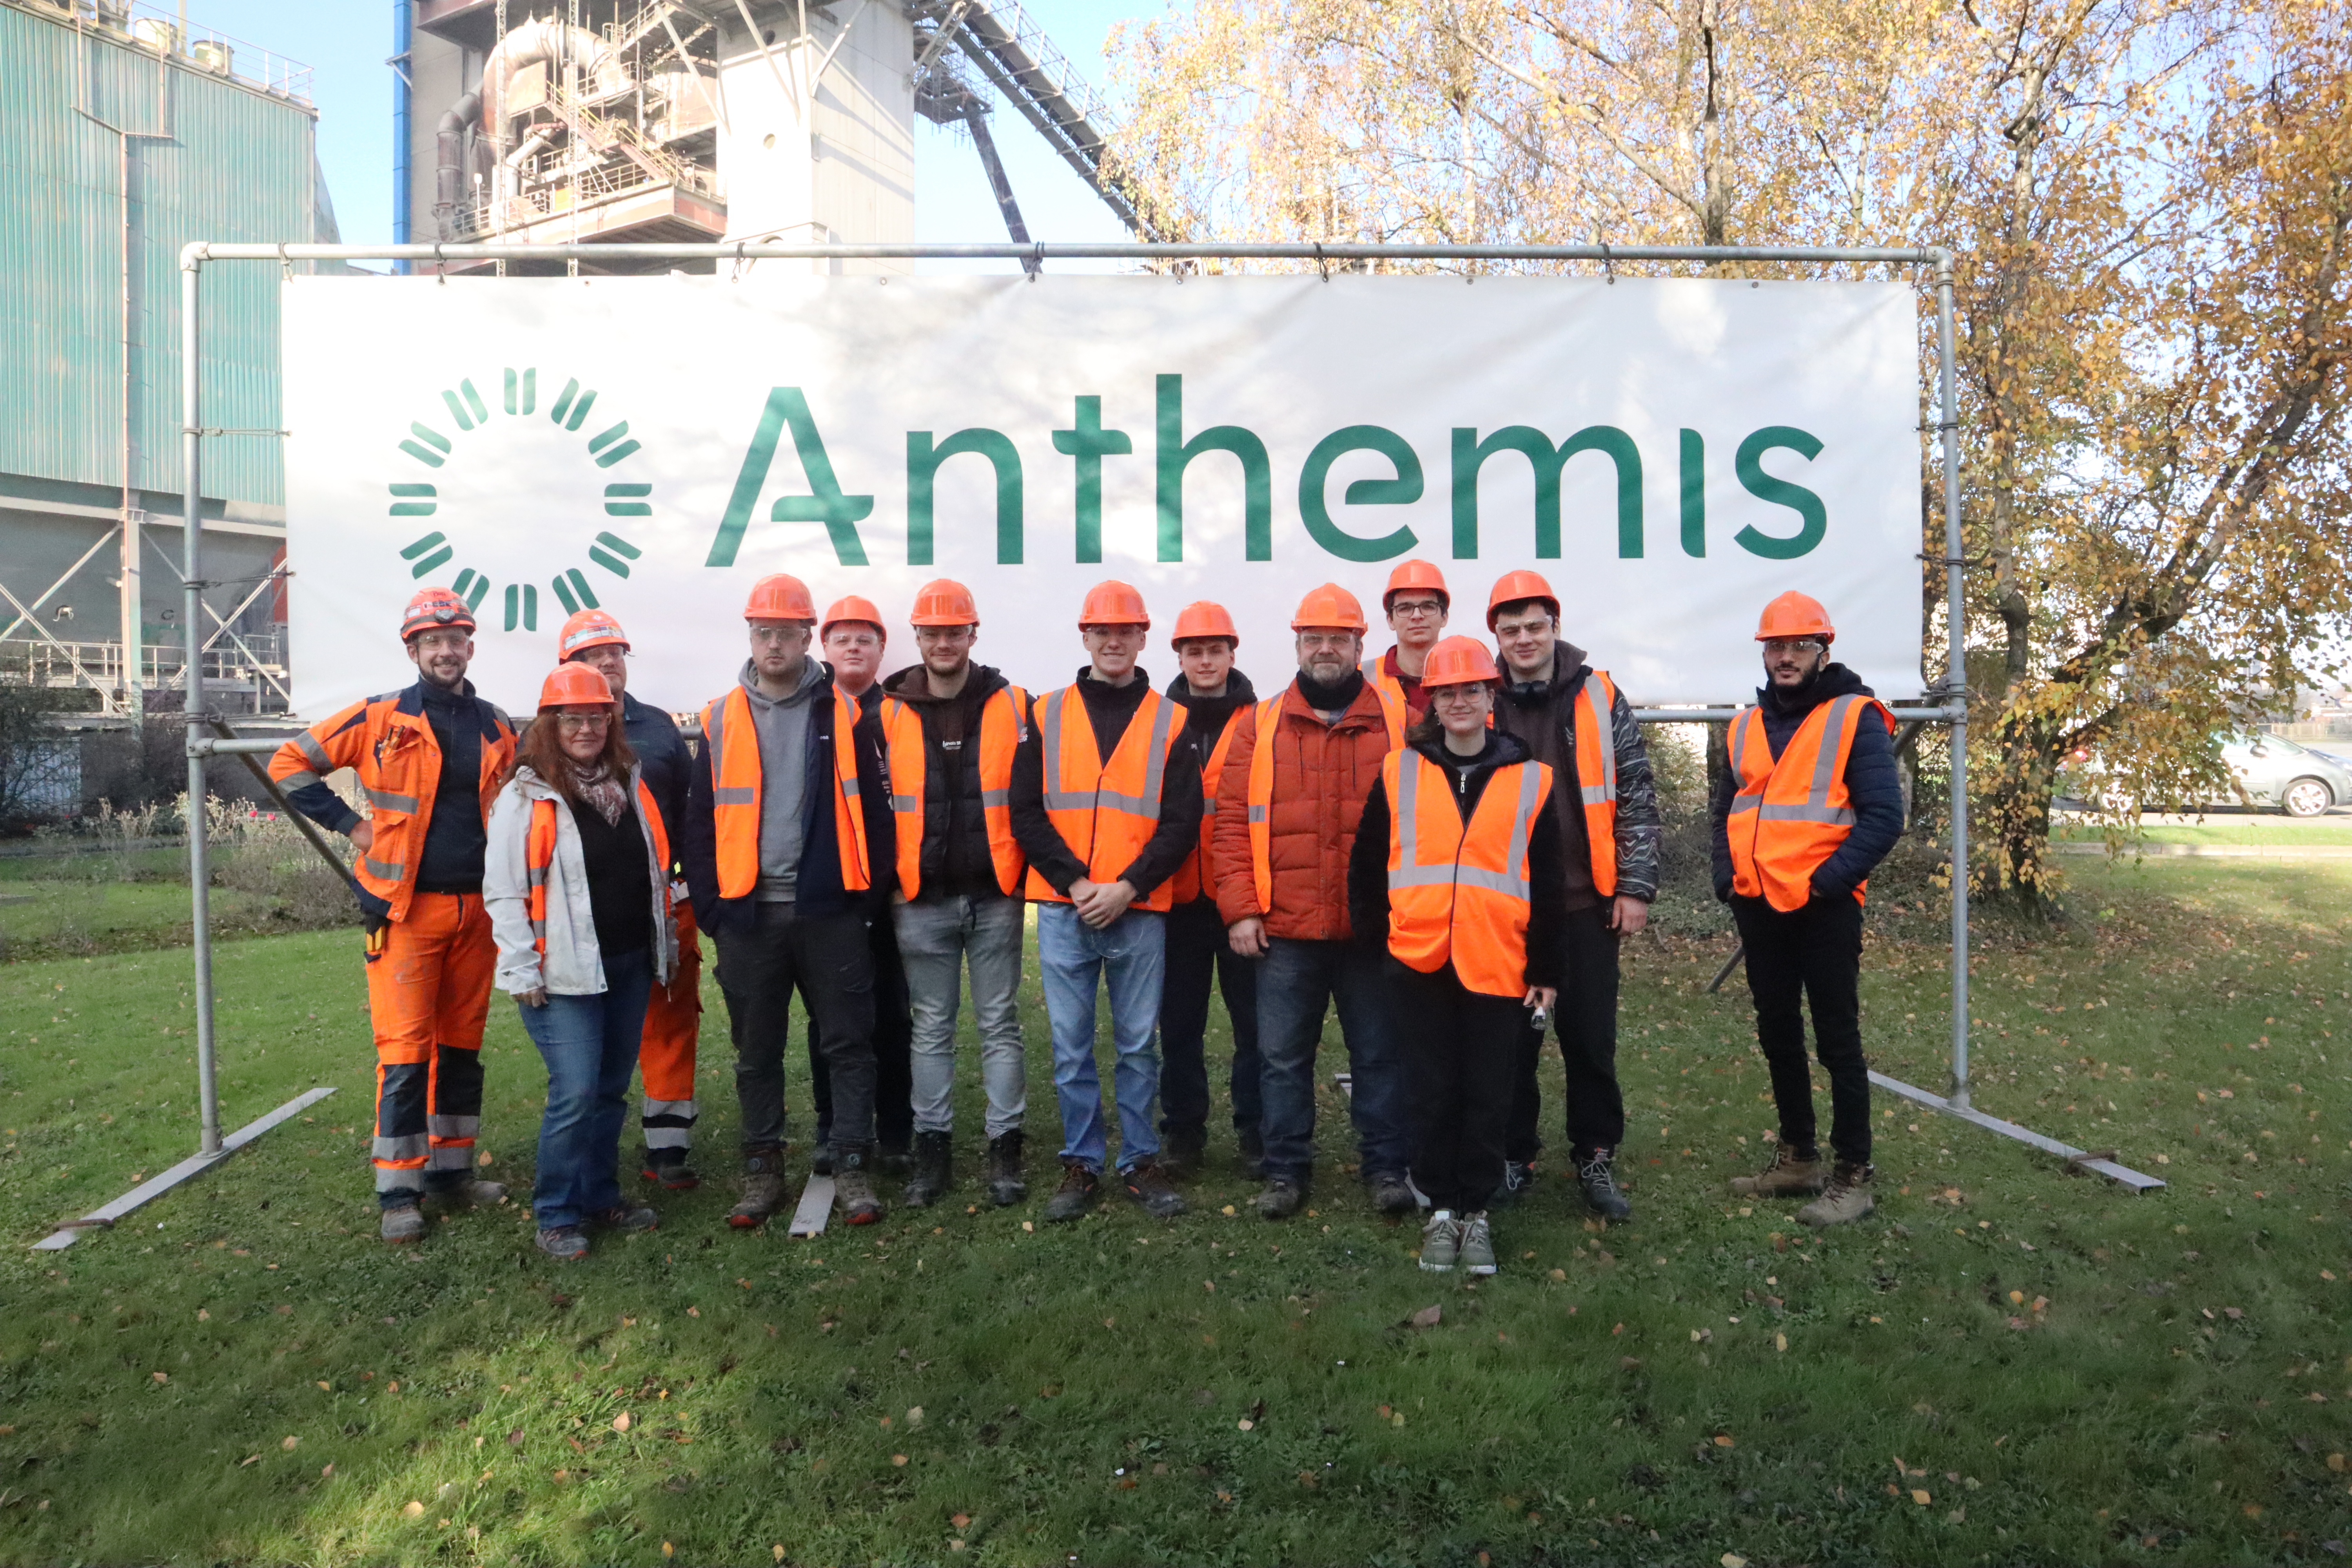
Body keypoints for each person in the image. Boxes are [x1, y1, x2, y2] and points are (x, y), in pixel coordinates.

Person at [269, 586, 515, 1244]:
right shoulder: (380, 718)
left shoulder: (496, 726)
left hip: (479, 916)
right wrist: (352, 828)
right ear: (413, 649)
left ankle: (453, 1176)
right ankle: (399, 1191)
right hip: (404, 914)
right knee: (406, 1056)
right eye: (432, 641)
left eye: (456, 638)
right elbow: (288, 763)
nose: (446, 649)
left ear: (469, 645)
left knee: (461, 1051)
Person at [682, 573, 895, 1228]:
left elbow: (879, 815)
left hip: (829, 911)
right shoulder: (719, 717)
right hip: (749, 917)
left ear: (810, 637)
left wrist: (868, 898)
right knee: (757, 1052)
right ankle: (761, 1172)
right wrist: (715, 911)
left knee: (850, 1043)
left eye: (787, 631)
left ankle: (854, 1164)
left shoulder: (848, 712)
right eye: (763, 631)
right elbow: (699, 823)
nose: (774, 643)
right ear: (751, 636)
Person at [1350, 637, 1566, 1275]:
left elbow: (1549, 882)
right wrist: (1378, 947)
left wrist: (1547, 970)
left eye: (1473, 689)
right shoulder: (1400, 771)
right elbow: (1367, 868)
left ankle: (1478, 1212)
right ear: (1434, 702)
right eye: (1449, 692)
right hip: (1418, 962)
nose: (1462, 701)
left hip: (1497, 962)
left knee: (1489, 1093)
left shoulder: (1532, 780)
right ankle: (1442, 1209)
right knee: (1431, 1090)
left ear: (1490, 696)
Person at [1212, 583, 1412, 1221]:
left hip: (1371, 929)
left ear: (1361, 645)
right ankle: (1285, 1171)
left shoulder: (1401, 721)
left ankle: (1386, 1168)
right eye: (1314, 639)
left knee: (1380, 1056)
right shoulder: (1259, 724)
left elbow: (1426, 822)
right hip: (1285, 930)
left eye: (1339, 639)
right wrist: (1241, 908)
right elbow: (1230, 823)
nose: (1326, 649)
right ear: (1297, 645)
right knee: (1281, 1061)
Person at [1010, 579, 1202, 1222]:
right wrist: (1076, 882)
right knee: (1070, 1047)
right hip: (1068, 909)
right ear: (1085, 636)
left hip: (1137, 911)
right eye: (1103, 630)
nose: (1114, 640)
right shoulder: (1045, 713)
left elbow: (1182, 821)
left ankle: (1140, 1161)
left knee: (1136, 1047)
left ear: (1143, 637)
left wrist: (1127, 887)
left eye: (1126, 631)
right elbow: (1026, 811)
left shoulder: (1172, 719)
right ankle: (1082, 1161)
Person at [1713, 590, 1904, 1228]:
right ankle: (1798, 1156)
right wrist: (1726, 878)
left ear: (1824, 651)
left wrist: (1827, 883)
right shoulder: (1744, 724)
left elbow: (1884, 819)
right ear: (1764, 652)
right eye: (1776, 646)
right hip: (1760, 904)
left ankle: (1855, 1176)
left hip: (1823, 909)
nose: (1786, 656)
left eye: (1800, 645)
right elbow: (1726, 811)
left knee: (1838, 1041)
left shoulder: (1857, 716)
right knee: (1778, 1034)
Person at [1485, 568, 1662, 1220]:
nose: (1524, 638)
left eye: (1535, 626)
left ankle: (1595, 1154)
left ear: (1555, 628)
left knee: (1590, 1040)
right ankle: (1513, 1155)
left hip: (1588, 903)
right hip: (1508, 906)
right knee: (1510, 1045)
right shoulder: (1478, 696)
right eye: (1511, 629)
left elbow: (1639, 796)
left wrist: (1636, 887)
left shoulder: (1599, 694)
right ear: (1495, 637)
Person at [484, 664, 675, 1259]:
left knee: (611, 1089)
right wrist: (520, 968)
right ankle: (557, 1214)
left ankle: (600, 1197)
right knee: (574, 1092)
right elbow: (504, 889)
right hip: (561, 975)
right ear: (551, 724)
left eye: (597, 716)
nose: (586, 727)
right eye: (573, 718)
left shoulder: (629, 782)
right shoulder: (524, 796)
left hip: (626, 962)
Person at [877, 579, 1033, 1208]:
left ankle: (1005, 1149)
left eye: (955, 631)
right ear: (917, 639)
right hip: (920, 901)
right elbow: (874, 812)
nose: (944, 642)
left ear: (973, 634)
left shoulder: (1016, 704)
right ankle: (931, 1149)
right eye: (932, 632)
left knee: (1001, 1025)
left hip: (996, 895)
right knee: (932, 1028)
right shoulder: (885, 713)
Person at [556, 608, 704, 1192]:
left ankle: (668, 1150)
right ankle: (591, 1152)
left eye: (615, 653)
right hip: (584, 914)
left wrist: (697, 890)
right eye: (593, 656)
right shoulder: (551, 735)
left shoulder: (661, 728)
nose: (607, 664)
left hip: (664, 904)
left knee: (669, 1020)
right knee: (590, 1036)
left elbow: (695, 814)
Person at [802, 596, 916, 1179]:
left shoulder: (901, 714)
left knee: (894, 1014)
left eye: (865, 639)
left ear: (880, 650)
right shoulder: (809, 711)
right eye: (842, 638)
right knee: (830, 1019)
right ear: (824, 647)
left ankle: (896, 1128)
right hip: (830, 900)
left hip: (893, 895)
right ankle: (832, 1126)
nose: (853, 647)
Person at [1157, 601, 1262, 1180]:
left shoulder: (1263, 719)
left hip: (1239, 898)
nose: (1205, 660)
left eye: (1215, 650)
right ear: (1179, 655)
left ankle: (1255, 1131)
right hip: (1174, 899)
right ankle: (1184, 1133)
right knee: (1179, 1026)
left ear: (1231, 654)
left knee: (1254, 1026)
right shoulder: (1156, 719)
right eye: (1194, 650)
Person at [1361, 559, 1450, 720]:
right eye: (1405, 608)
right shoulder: (1362, 677)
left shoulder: (1466, 672)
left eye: (1428, 606)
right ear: (1390, 620)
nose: (1417, 616)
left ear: (1444, 616)